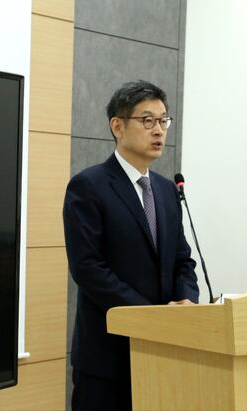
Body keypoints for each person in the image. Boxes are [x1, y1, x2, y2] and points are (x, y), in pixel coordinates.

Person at [63, 80, 199, 411]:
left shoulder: (167, 191)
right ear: (118, 126)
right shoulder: (88, 186)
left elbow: (182, 260)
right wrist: (149, 316)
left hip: (163, 352)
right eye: (147, 120)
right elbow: (88, 268)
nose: (159, 130)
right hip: (107, 358)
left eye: (163, 120)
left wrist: (186, 300)